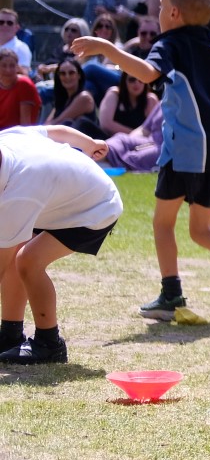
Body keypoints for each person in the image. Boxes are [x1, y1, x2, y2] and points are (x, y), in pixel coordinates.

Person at [73, 0, 210, 323]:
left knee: (163, 223)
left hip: (184, 147)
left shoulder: (170, 44)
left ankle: (171, 294)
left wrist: (107, 48)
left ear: (173, 14)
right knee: (201, 229)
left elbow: (147, 73)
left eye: (161, 5)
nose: (157, 11)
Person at [0, 125, 122, 364]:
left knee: (28, 261)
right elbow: (54, 131)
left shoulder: (19, 193)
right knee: (16, 250)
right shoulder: (7, 138)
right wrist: (89, 143)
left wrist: (88, 145)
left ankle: (49, 343)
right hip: (63, 196)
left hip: (96, 207)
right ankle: (10, 336)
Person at [42, 57, 101, 137]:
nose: (67, 77)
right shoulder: (62, 100)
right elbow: (48, 123)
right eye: (63, 73)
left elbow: (58, 122)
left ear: (79, 75)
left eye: (71, 73)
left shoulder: (84, 98)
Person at [99, 68, 159, 137]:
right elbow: (106, 124)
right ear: (124, 81)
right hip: (110, 139)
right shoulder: (114, 94)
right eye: (132, 80)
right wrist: (134, 135)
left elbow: (154, 129)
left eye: (141, 80)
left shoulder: (150, 100)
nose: (136, 83)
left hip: (140, 142)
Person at [0, 51, 41, 130]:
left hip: (16, 133)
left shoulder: (24, 84)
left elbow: (25, 124)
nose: (8, 70)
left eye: (12, 66)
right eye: (4, 66)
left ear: (17, 67)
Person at [0, 8, 34, 75]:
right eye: (1, 22)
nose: (5, 25)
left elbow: (24, 74)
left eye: (9, 23)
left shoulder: (21, 48)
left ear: (17, 28)